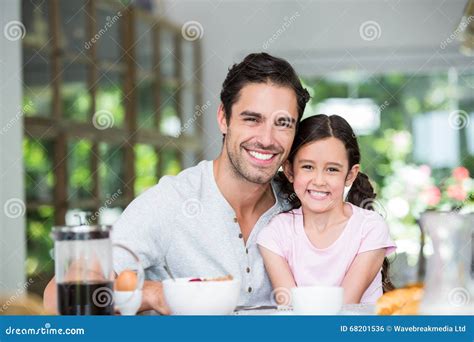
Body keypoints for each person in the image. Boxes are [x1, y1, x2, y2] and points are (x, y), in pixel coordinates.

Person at [43, 52, 310, 314]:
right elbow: (60, 296)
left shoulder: (300, 206)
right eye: (252, 119)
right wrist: (154, 293)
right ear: (223, 118)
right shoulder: (171, 203)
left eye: (283, 124)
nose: (266, 138)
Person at [257, 114, 396, 305]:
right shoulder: (276, 233)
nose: (319, 181)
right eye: (307, 167)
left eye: (332, 169)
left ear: (350, 175)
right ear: (289, 171)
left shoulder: (370, 227)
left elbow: (345, 308)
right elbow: (289, 308)